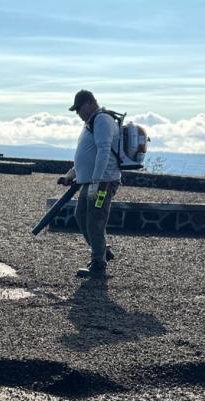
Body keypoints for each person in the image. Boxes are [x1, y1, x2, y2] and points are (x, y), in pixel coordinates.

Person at [58, 89, 121, 279]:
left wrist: (96, 179)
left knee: (95, 219)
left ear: (89, 103)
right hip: (93, 182)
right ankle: (102, 251)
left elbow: (103, 150)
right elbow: (86, 155)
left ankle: (98, 264)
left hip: (103, 183)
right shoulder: (91, 123)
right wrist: (71, 174)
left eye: (79, 109)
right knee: (81, 215)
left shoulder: (101, 120)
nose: (78, 114)